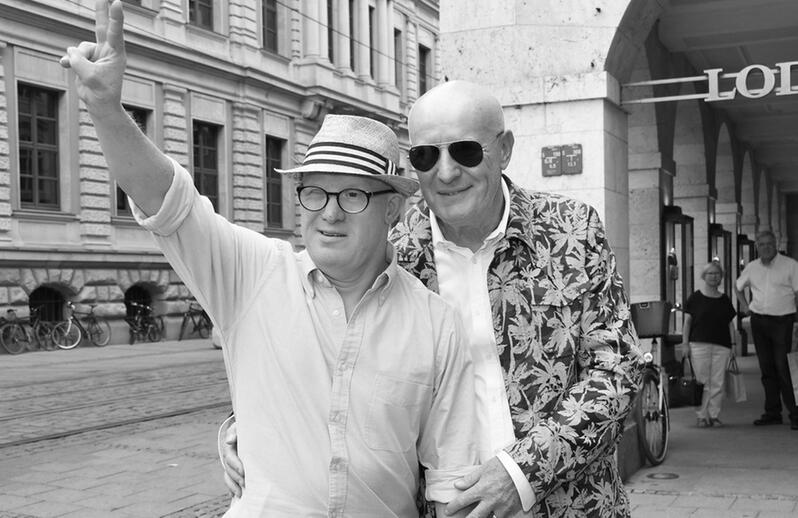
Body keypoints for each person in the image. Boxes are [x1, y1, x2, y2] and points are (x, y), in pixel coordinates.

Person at [61, 0, 481, 517]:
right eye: (314, 193)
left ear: (392, 209)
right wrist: (106, 110)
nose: (328, 214)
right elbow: (170, 204)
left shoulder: (435, 324)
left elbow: (452, 479)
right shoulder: (254, 275)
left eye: (352, 195)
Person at [221, 80, 643, 517]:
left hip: (572, 504)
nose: (445, 173)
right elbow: (325, 360)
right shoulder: (388, 249)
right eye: (425, 156)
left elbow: (618, 370)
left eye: (465, 151)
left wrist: (520, 474)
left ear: (505, 149)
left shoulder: (571, 231)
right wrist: (246, 429)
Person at [735, 230, 798, 430]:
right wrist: (745, 306)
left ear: (776, 244)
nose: (766, 247)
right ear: (757, 247)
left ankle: (795, 414)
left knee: (784, 367)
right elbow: (738, 287)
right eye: (761, 244)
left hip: (783, 321)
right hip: (759, 321)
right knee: (766, 368)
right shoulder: (752, 267)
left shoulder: (790, 265)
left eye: (769, 244)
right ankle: (772, 412)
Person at [681, 261, 737, 428]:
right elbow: (687, 323)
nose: (714, 276)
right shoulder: (695, 298)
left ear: (721, 277)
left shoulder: (725, 299)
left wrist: (733, 345)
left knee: (718, 382)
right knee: (702, 381)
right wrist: (685, 344)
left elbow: (730, 324)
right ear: (704, 276)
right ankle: (701, 415)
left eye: (717, 274)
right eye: (710, 273)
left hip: (722, 345)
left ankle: (713, 415)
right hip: (698, 344)